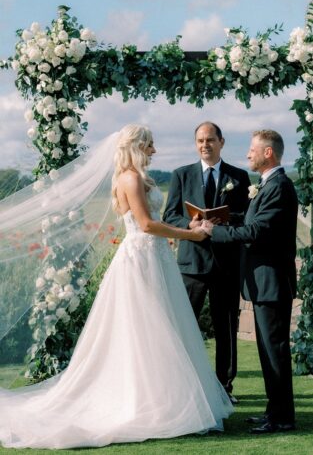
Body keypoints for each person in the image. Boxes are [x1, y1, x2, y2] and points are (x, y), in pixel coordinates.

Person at [0, 124, 233, 449]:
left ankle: (162, 398)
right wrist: (191, 236)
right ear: (136, 147)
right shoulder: (130, 178)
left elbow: (155, 218)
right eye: (149, 145)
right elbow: (147, 225)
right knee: (144, 330)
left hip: (155, 258)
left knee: (162, 329)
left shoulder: (138, 177)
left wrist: (191, 224)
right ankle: (144, 402)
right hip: (141, 258)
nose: (154, 151)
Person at [202, 129, 298, 434]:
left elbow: (257, 231)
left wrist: (212, 232)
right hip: (264, 282)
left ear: (268, 153)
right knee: (269, 350)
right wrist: (222, 219)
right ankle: (274, 410)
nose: (248, 155)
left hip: (271, 282)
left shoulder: (279, 187)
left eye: (252, 150)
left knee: (275, 351)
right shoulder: (268, 185)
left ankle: (282, 418)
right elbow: (250, 222)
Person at [163, 122, 250, 403]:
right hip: (191, 265)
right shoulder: (181, 175)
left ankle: (224, 388)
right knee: (184, 327)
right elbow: (169, 216)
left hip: (226, 265)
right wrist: (189, 223)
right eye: (200, 140)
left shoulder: (239, 177)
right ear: (195, 143)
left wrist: (222, 221)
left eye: (210, 140)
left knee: (226, 330)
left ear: (221, 142)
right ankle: (183, 388)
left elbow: (246, 217)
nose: (205, 145)